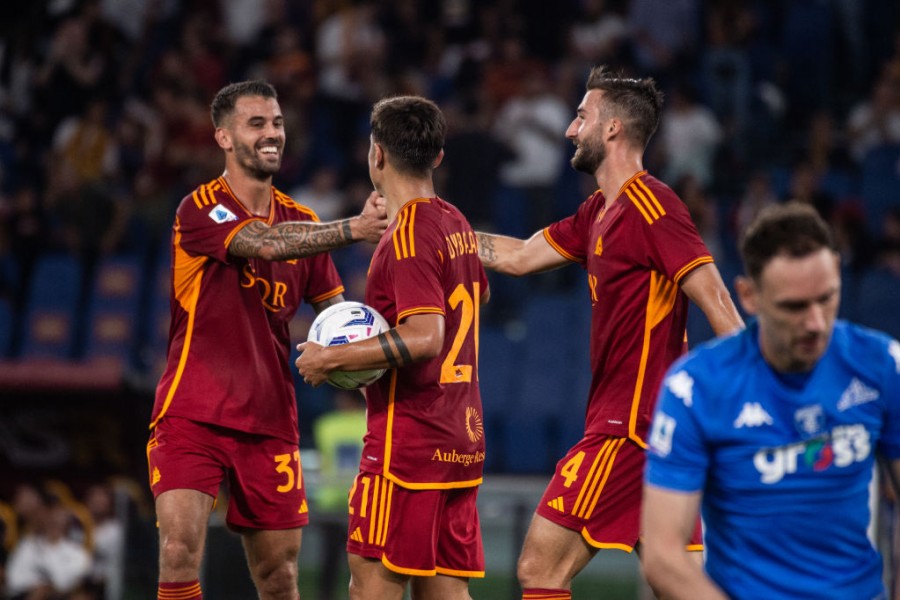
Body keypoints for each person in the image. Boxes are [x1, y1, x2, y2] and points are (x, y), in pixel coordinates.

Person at [474, 65, 745, 598]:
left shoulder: (654, 206)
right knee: (682, 584)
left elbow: (716, 300)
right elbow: (521, 255)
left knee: (538, 569)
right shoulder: (598, 210)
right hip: (653, 432)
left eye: (581, 116)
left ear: (614, 128)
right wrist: (440, 229)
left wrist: (758, 398)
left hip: (630, 429)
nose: (571, 129)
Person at [146, 79, 387, 600]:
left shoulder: (304, 222)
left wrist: (366, 370)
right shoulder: (201, 208)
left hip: (270, 421)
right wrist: (354, 228)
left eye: (277, 122)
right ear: (224, 138)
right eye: (256, 123)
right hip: (193, 411)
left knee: (279, 576)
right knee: (178, 551)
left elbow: (337, 317)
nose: (272, 133)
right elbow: (264, 244)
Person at [642, 201, 900, 599]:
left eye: (826, 299)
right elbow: (663, 556)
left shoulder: (883, 366)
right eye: (794, 307)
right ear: (748, 296)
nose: (815, 322)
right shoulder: (694, 389)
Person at [295, 95, 490, 600]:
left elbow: (427, 336)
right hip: (460, 439)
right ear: (438, 157)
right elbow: (477, 296)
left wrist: (332, 357)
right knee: (444, 592)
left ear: (376, 154)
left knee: (370, 590)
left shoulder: (408, 235)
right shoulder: (456, 223)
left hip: (408, 446)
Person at [311, 390, 367, 600]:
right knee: (363, 562)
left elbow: (322, 456)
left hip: (331, 500)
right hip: (363, 501)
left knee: (330, 561)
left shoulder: (325, 425)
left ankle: (326, 596)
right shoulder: (371, 422)